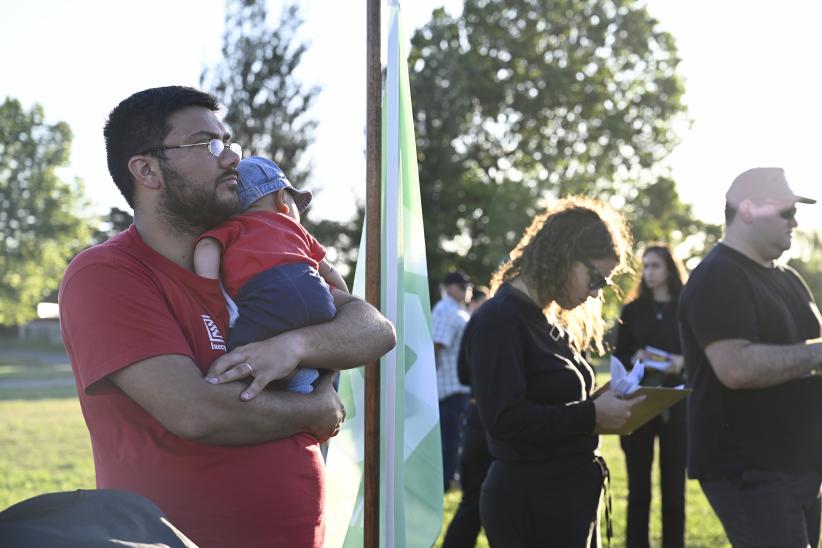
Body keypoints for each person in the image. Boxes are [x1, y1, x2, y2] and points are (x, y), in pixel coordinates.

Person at [58, 85, 396, 548]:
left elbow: (375, 327)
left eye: (229, 142)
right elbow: (196, 411)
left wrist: (293, 346)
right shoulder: (105, 274)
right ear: (147, 169)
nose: (232, 157)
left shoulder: (253, 249)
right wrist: (313, 410)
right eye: (207, 144)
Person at [464, 196, 644, 547]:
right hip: (530, 501)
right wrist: (592, 414)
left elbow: (554, 403)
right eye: (596, 278)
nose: (596, 293)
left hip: (568, 496)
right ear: (562, 255)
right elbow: (505, 420)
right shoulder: (499, 320)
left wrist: (598, 403)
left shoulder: (551, 319)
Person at [678, 167, 822, 548]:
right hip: (751, 470)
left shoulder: (788, 277)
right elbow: (736, 367)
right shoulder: (718, 276)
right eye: (786, 212)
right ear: (746, 210)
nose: (795, 222)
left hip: (797, 464)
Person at [194, 155, 349, 396]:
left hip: (266, 301)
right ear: (281, 199)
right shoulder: (297, 230)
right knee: (326, 351)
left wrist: (208, 291)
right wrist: (341, 303)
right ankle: (324, 386)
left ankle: (295, 380)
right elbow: (328, 271)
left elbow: (206, 249)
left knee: (237, 355)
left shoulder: (231, 228)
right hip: (318, 299)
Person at [615, 243, 688, 548]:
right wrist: (637, 358)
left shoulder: (687, 307)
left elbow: (701, 350)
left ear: (670, 268)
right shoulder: (632, 310)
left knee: (674, 488)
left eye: (655, 265)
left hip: (677, 403)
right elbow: (620, 354)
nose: (649, 272)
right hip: (640, 404)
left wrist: (682, 362)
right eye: (645, 266)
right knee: (638, 489)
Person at [441, 283, 492, 548]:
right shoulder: (494, 321)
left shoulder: (473, 320)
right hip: (488, 421)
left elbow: (463, 371)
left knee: (472, 502)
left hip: (475, 414)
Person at [432, 270, 472, 490]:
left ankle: (451, 477)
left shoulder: (456, 310)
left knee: (456, 437)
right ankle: (446, 480)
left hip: (458, 384)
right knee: (450, 439)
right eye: (461, 286)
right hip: (449, 386)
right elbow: (437, 345)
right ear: (449, 287)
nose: (466, 289)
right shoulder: (445, 310)